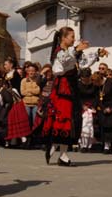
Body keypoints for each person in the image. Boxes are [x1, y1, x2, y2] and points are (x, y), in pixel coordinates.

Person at [43, 26, 108, 166]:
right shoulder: (59, 52)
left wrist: (97, 54)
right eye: (71, 37)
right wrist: (76, 49)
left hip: (72, 89)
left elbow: (83, 64)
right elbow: (65, 63)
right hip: (62, 90)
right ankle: (58, 151)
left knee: (72, 121)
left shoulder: (72, 52)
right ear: (63, 38)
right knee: (64, 120)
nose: (74, 39)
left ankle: (60, 153)